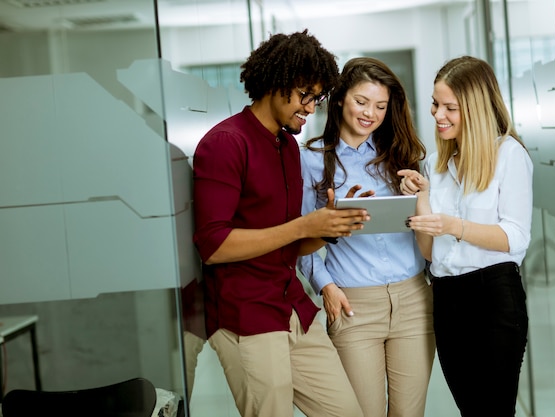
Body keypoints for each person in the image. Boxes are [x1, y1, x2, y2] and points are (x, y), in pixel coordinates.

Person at [192, 30, 370, 417]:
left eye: (317, 97)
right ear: (275, 83)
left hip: (291, 306)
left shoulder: (287, 145)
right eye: (305, 94)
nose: (311, 107)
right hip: (246, 317)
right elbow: (213, 246)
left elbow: (288, 241)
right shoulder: (225, 143)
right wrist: (305, 227)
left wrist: (330, 226)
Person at [299, 57, 435, 417]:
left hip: (414, 298)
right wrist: (325, 286)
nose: (370, 113)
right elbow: (301, 238)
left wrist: (421, 195)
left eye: (380, 106)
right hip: (353, 304)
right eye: (362, 102)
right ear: (341, 98)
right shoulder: (311, 161)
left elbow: (429, 229)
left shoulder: (400, 155)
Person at [400, 55, 533, 417]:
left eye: (449, 107)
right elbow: (429, 253)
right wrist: (422, 196)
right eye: (435, 103)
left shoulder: (509, 155)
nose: (437, 114)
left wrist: (454, 226)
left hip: (494, 298)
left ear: (474, 109)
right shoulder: (435, 167)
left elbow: (514, 237)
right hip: (446, 300)